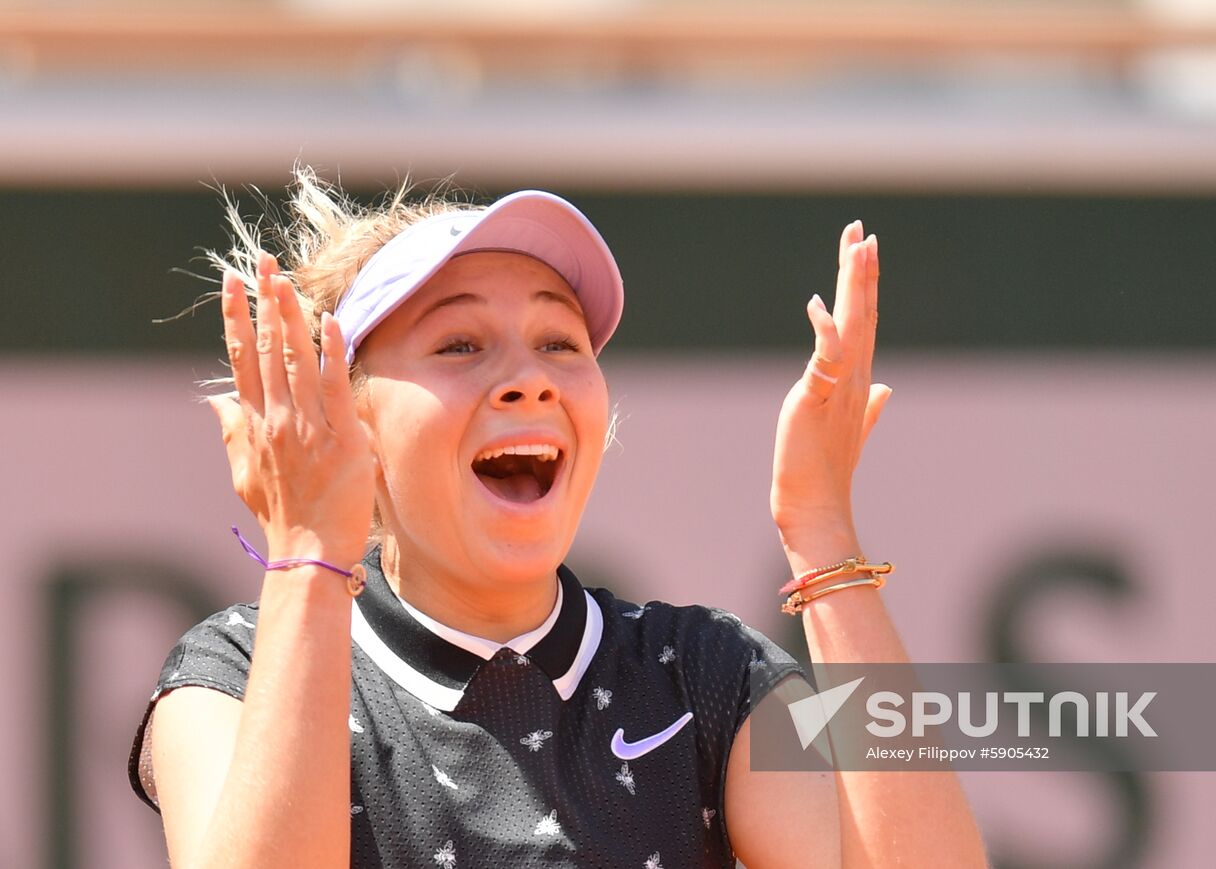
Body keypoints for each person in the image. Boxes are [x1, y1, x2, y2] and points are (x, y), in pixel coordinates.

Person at [127, 168, 987, 868]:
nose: (528, 378)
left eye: (559, 343)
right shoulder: (229, 671)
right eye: (460, 344)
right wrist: (312, 547)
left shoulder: (705, 673)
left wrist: (822, 533)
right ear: (348, 423)